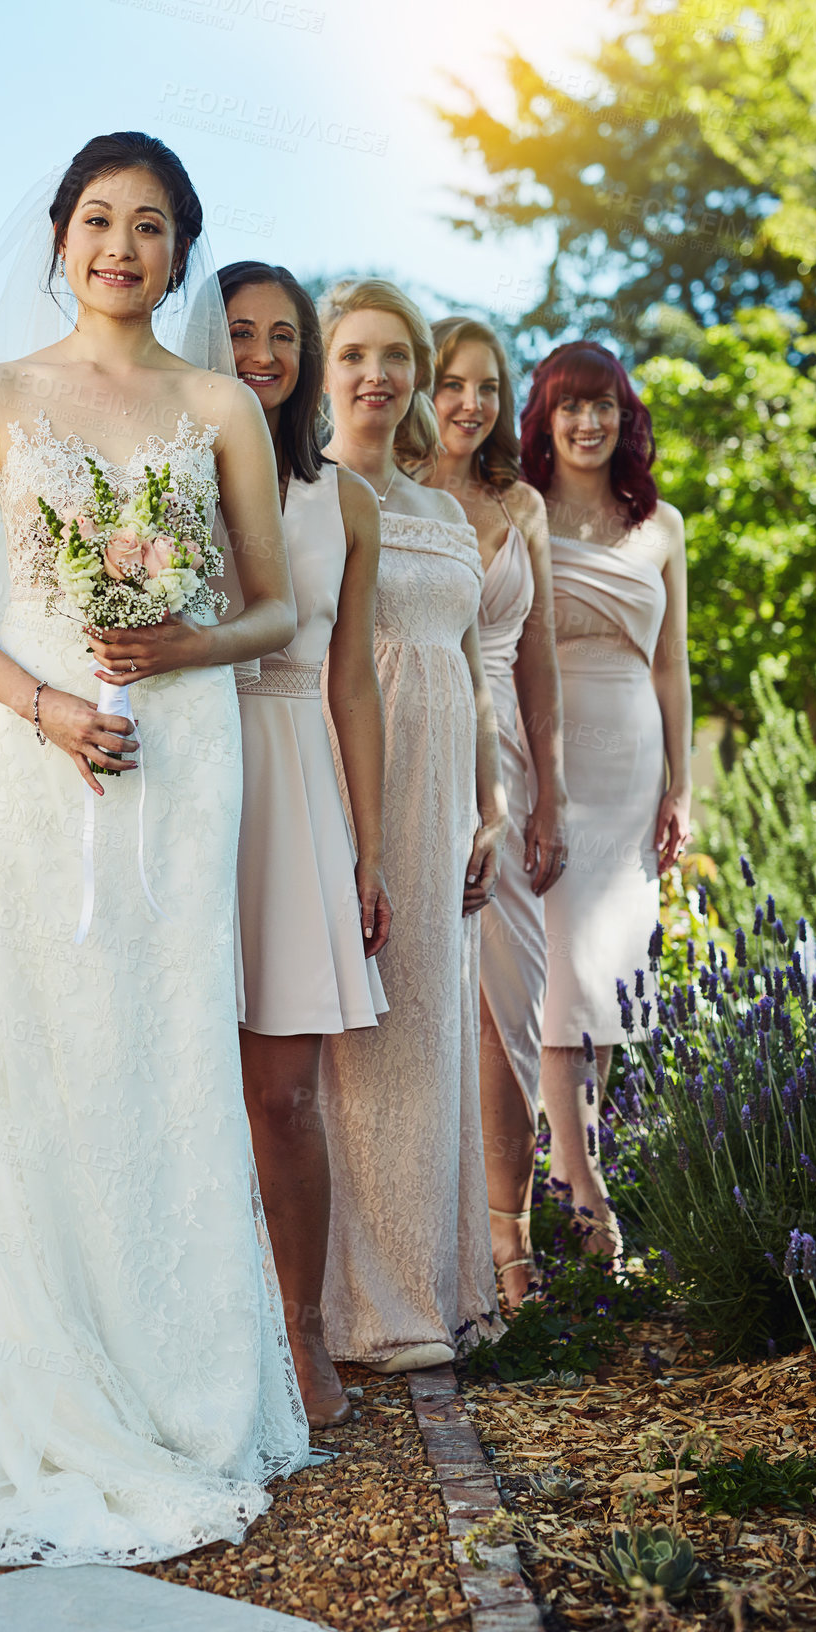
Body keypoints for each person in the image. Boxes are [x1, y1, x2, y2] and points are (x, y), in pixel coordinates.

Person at [0, 133, 311, 1580]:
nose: (121, 247)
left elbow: (271, 611)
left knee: (165, 1048)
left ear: (181, 251)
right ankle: (57, 1381)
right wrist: (42, 706)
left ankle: (192, 1391)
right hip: (41, 756)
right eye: (98, 219)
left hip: (181, 756)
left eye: (151, 226)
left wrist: (180, 645)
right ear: (60, 235)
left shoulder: (217, 404)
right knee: (51, 1048)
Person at [317, 278, 507, 1370]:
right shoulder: (308, 495)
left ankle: (436, 1290)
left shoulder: (440, 511)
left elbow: (472, 676)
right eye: (353, 355)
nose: (374, 376)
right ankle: (359, 1308)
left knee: (431, 1028)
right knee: (357, 1037)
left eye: (394, 356)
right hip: (353, 778)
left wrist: (489, 810)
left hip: (445, 802)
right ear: (326, 369)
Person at [218, 261, 390, 1430]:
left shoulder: (344, 504)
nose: (265, 355)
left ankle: (301, 1331)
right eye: (239, 331)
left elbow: (353, 689)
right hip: (184, 770)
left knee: (284, 1096)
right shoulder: (166, 477)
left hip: (292, 785)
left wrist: (367, 849)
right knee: (172, 1081)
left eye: (286, 335)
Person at [520, 341, 692, 1262]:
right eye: (571, 406)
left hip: (632, 766)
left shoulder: (661, 524)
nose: (589, 422)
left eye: (606, 407)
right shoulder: (525, 511)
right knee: (564, 980)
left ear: (627, 420)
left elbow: (673, 662)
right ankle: (585, 1195)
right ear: (545, 418)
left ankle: (571, 1170)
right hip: (549, 757)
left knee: (614, 983)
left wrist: (682, 784)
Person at [427, 317, 568, 1309]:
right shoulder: (373, 494)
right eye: (449, 382)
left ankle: (509, 1245)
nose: (468, 402)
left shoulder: (518, 502)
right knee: (414, 1010)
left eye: (485, 385)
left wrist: (547, 797)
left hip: (507, 774)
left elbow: (539, 662)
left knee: (505, 1014)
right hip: (410, 758)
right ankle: (418, 1246)